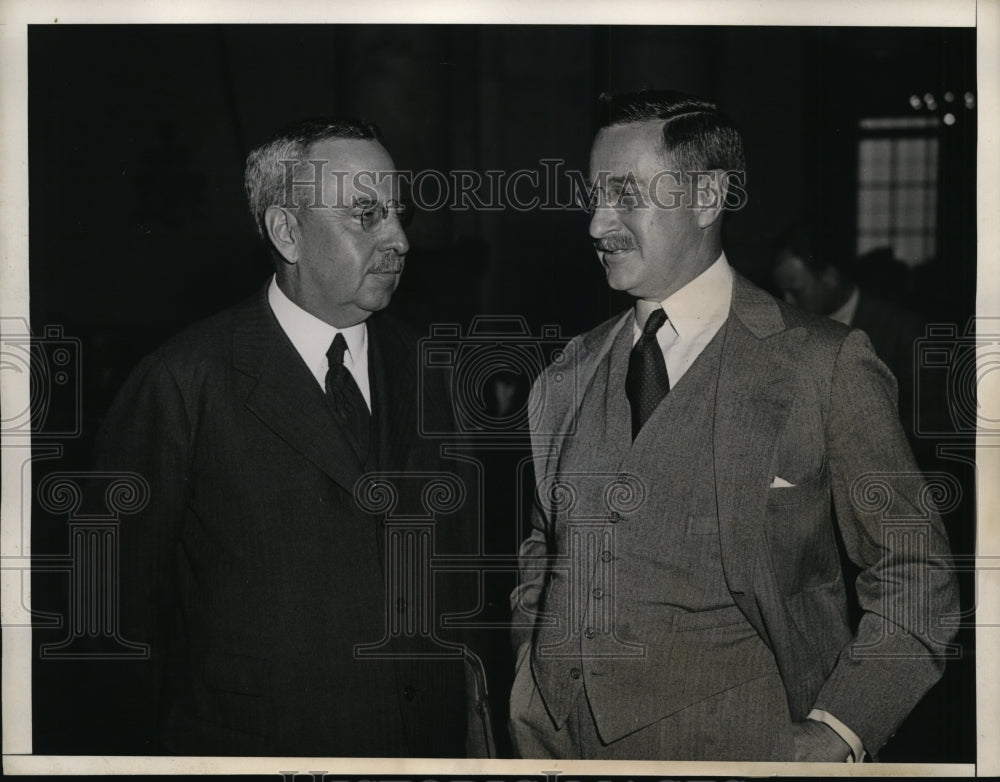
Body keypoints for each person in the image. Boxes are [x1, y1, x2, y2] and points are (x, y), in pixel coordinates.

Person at [509, 91, 958, 761]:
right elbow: (546, 548)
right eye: (594, 196)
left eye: (626, 195)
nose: (598, 225)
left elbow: (917, 574)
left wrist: (839, 730)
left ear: (707, 197)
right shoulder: (566, 374)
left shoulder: (823, 365)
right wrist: (528, 672)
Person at [89, 117, 492, 757]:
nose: (399, 240)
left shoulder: (433, 370)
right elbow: (114, 628)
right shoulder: (182, 382)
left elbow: (464, 589)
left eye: (398, 212)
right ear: (287, 232)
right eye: (366, 214)